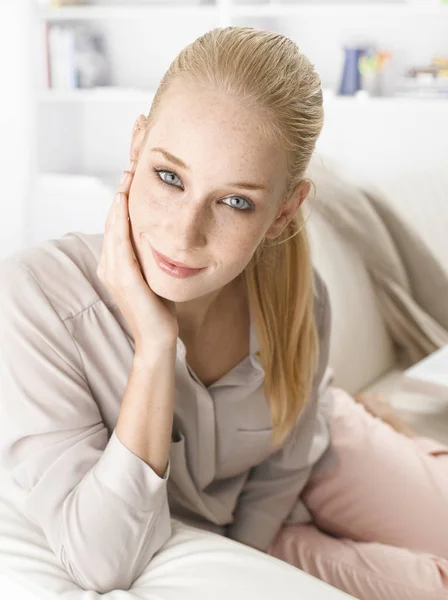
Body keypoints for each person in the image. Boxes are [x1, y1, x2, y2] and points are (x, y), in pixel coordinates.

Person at [0, 25, 447, 600]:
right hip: (250, 527)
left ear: (286, 211)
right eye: (169, 177)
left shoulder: (297, 295)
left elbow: (289, 455)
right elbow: (100, 562)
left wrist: (259, 538)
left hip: (322, 451)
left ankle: (394, 434)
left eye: (235, 202)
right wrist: (155, 348)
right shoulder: (35, 301)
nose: (184, 236)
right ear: (137, 147)